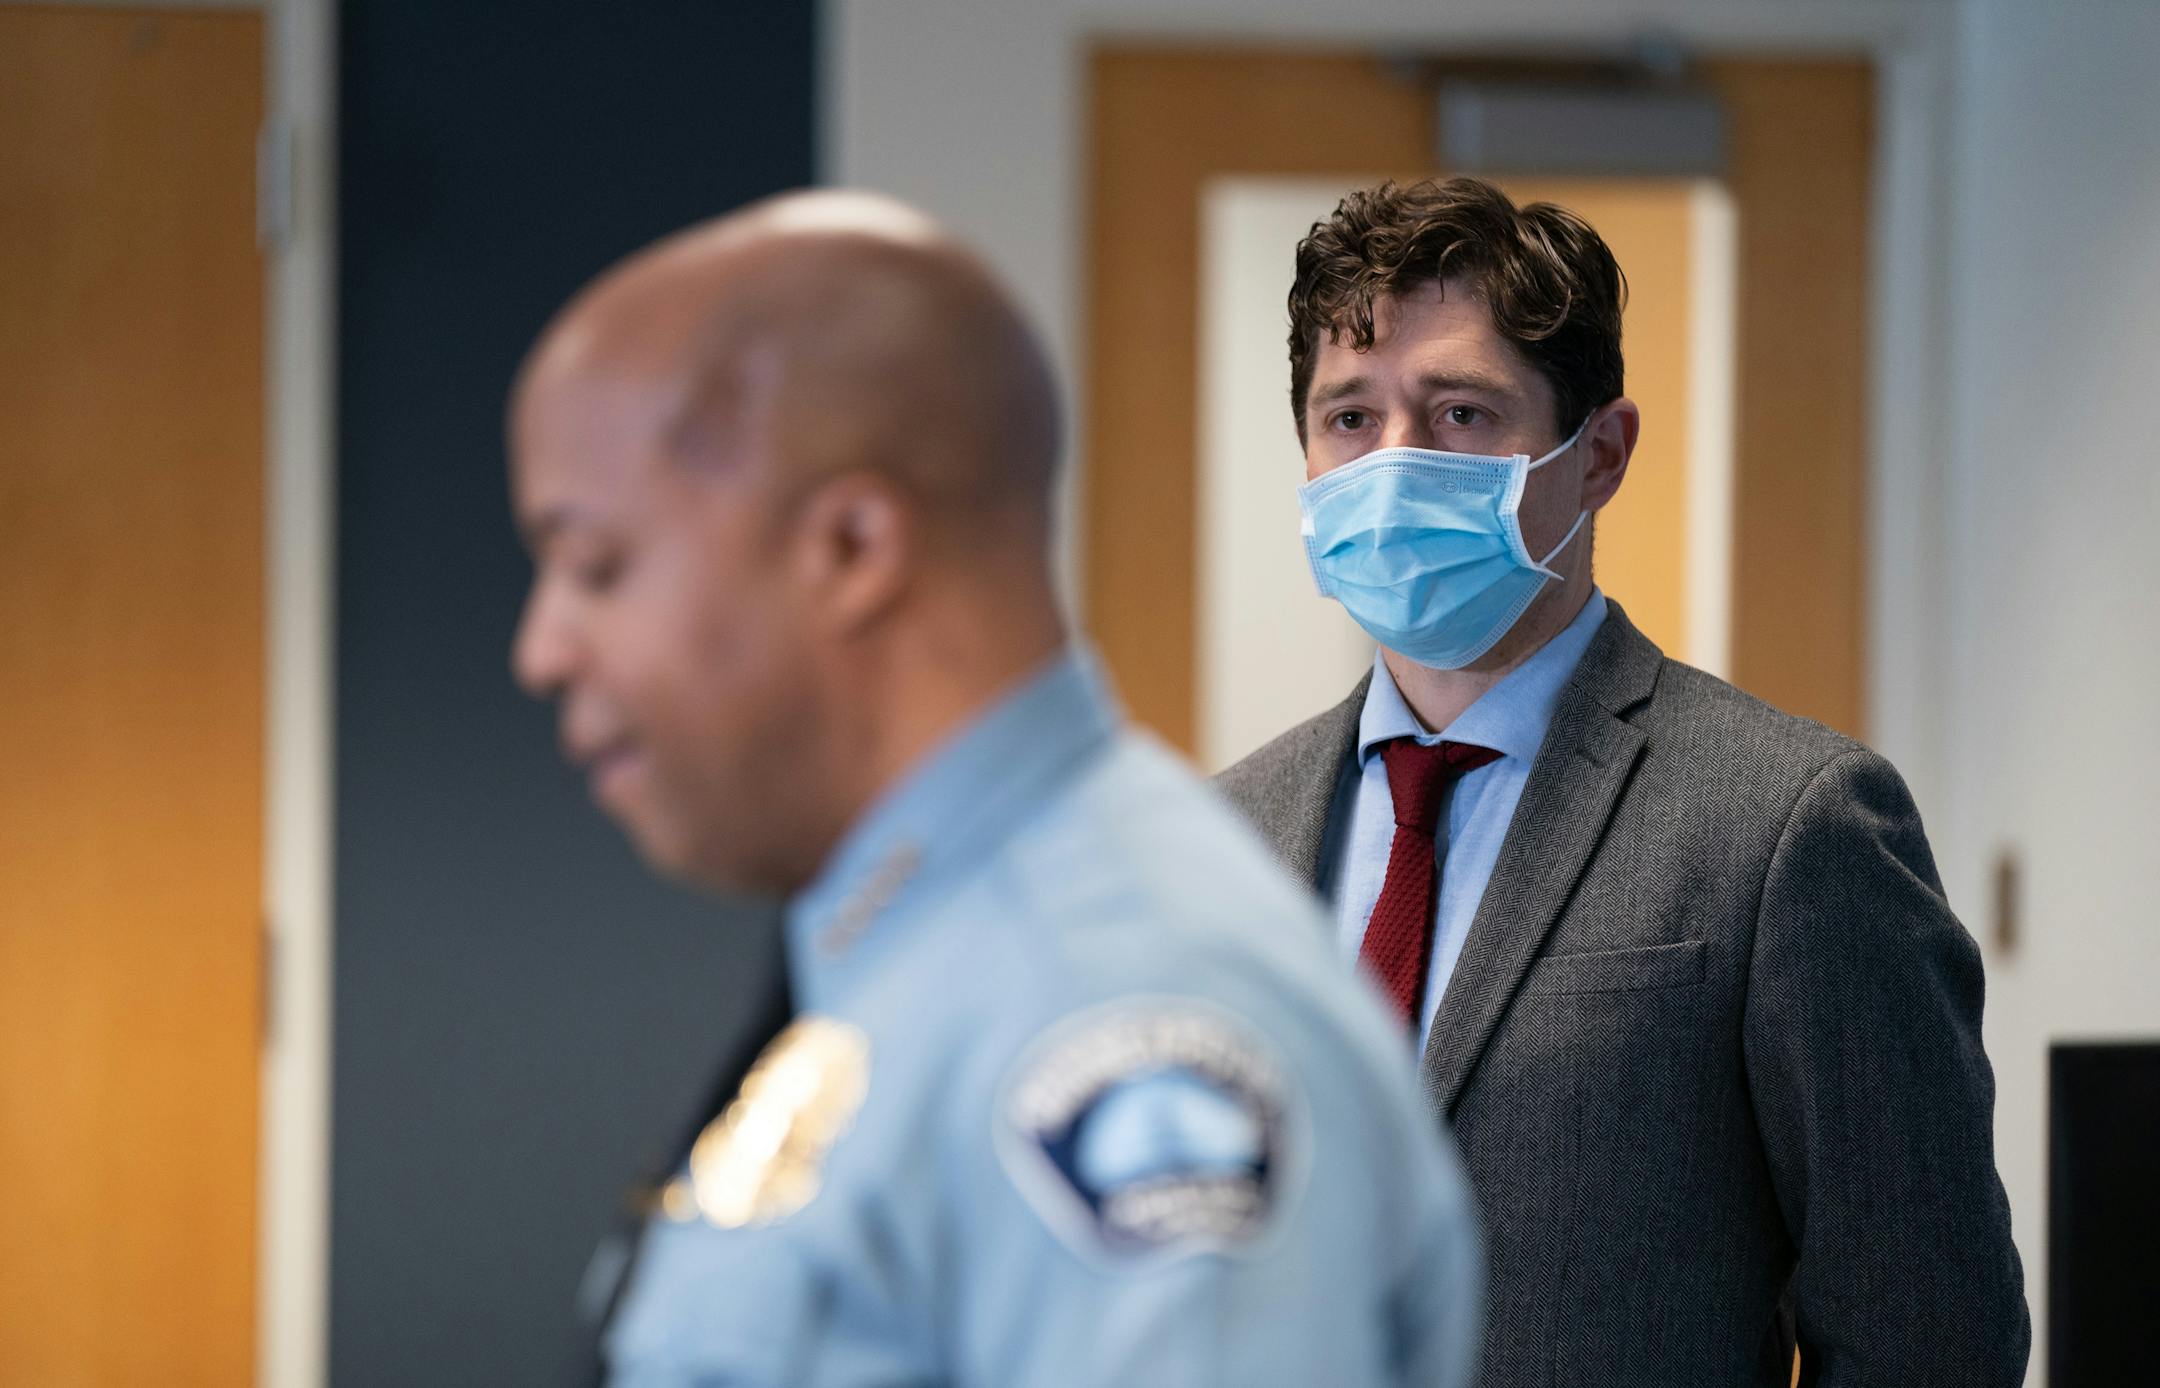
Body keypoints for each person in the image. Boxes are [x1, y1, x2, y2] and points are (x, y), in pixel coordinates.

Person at [508, 189, 1481, 1388]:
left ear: (853, 549)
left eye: (595, 564)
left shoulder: (1113, 1003)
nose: (542, 647)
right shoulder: (925, 934)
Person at [1216, 177, 2028, 1386]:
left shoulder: (1787, 825)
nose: (1393, 467)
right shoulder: (1226, 836)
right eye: (1349, 418)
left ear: (1598, 453)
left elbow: (1927, 1335)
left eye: (1459, 413)